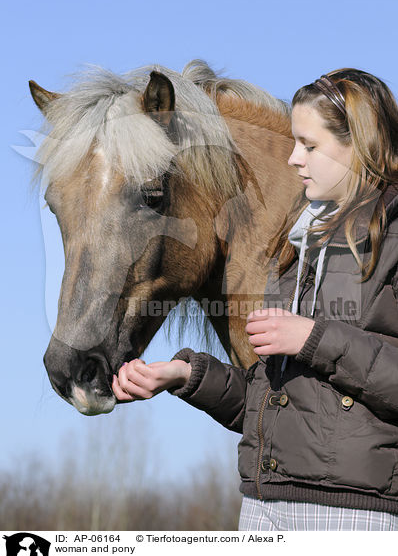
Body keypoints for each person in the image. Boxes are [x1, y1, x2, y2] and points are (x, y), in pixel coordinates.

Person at [112, 68, 398, 531]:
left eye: (309, 145)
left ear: (358, 145)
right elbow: (278, 407)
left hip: (356, 517)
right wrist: (187, 376)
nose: (292, 158)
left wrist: (313, 338)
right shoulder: (296, 249)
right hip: (264, 508)